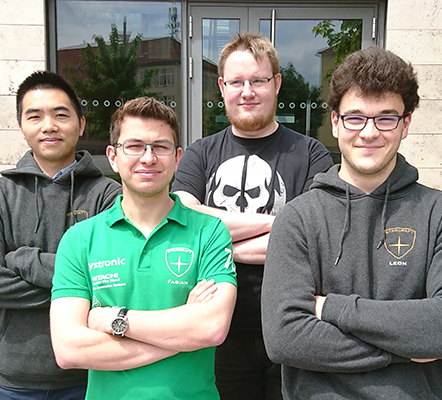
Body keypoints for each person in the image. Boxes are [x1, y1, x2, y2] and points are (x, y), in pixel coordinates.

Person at [260, 47, 442, 400]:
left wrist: (331, 308)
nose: (369, 132)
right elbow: (285, 339)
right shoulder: (298, 219)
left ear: (405, 124)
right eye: (355, 117)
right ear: (336, 122)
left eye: (386, 118)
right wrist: (407, 348)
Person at [172, 32, 333, 400]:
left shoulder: (312, 154)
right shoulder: (199, 153)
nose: (247, 92)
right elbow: (185, 220)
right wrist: (283, 225)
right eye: (237, 82)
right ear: (222, 87)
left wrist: (217, 246)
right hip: (219, 331)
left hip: (293, 326)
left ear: (276, 84)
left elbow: (314, 238)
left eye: (258, 80)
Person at [49, 97, 238, 400]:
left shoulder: (210, 232)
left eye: (160, 147)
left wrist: (115, 319)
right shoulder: (80, 239)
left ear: (177, 158)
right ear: (113, 157)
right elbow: (69, 349)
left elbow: (212, 328)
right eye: (134, 146)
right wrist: (183, 331)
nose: (148, 158)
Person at [0, 70, 121, 400]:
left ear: (81, 124)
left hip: (91, 375)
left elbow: (112, 279)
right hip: (13, 379)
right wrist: (77, 287)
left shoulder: (109, 197)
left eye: (60, 115)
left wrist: (23, 260)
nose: (48, 126)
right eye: (35, 116)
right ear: (21, 126)